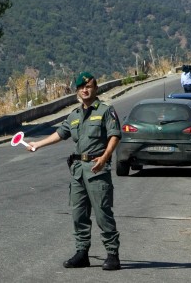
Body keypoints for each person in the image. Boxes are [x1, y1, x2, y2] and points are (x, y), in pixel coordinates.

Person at [27, 71, 122, 271]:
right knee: (78, 213)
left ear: (95, 89)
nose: (84, 90)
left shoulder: (105, 110)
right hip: (78, 170)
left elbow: (115, 135)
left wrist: (105, 158)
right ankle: (82, 253)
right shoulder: (74, 115)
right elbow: (60, 134)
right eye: (81, 88)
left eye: (88, 86)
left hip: (97, 167)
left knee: (102, 212)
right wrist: (37, 144)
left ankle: (112, 254)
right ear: (77, 92)